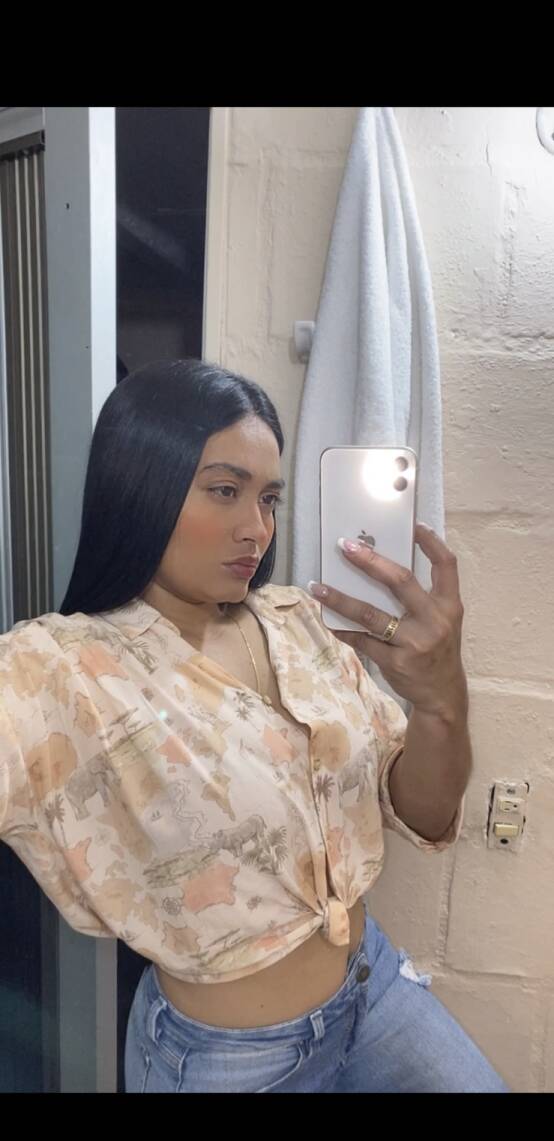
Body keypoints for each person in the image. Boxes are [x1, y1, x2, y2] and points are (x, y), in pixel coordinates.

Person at [0, 359, 509, 1093]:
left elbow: (426, 815)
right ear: (139, 485)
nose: (258, 528)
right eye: (225, 490)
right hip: (232, 1062)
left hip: (373, 991)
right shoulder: (59, 669)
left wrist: (441, 702)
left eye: (269, 498)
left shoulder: (304, 622)